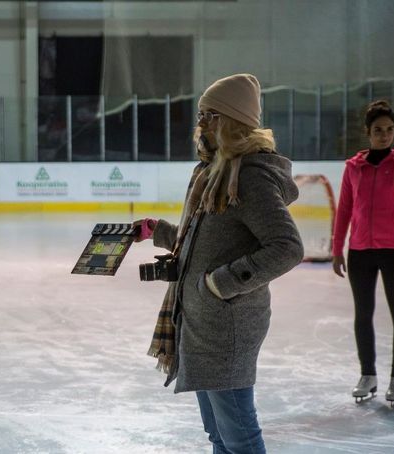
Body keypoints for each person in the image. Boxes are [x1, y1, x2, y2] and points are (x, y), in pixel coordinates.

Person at [136, 74, 303, 454]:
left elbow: (287, 247)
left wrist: (221, 283)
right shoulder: (215, 172)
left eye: (209, 115)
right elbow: (206, 240)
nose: (200, 124)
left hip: (227, 323)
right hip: (200, 321)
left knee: (239, 436)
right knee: (218, 435)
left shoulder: (251, 177)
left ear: (232, 120)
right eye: (200, 114)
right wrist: (158, 231)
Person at [332, 100, 394, 405]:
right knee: (364, 315)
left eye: (389, 130)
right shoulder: (353, 168)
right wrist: (337, 248)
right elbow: (344, 209)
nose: (385, 135)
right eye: (378, 130)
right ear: (367, 132)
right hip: (360, 252)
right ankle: (368, 375)